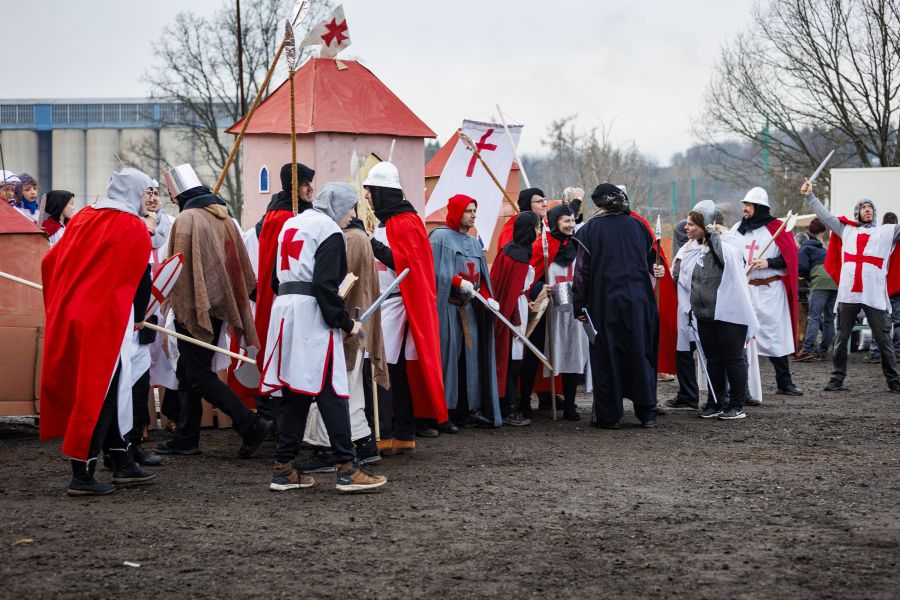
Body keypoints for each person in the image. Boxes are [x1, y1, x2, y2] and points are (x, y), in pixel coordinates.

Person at [260, 182, 386, 492]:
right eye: (350, 208)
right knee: (332, 388)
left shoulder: (292, 224)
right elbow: (323, 284)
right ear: (339, 207)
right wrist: (344, 322)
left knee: (298, 392)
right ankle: (347, 468)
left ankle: (283, 468)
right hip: (311, 316)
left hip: (286, 312)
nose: (353, 215)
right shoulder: (328, 229)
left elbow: (277, 279)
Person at [40, 168, 158, 496]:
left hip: (72, 314)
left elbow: (50, 262)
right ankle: (83, 473)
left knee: (110, 389)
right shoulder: (132, 226)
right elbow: (141, 275)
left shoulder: (83, 217)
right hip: (105, 321)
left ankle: (120, 459)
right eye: (145, 192)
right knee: (100, 394)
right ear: (133, 192)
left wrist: (61, 299)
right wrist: (138, 315)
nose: (148, 198)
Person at [154, 164, 272, 457]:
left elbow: (178, 269)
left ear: (179, 195)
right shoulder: (224, 217)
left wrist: (178, 304)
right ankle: (186, 436)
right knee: (187, 371)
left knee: (198, 375)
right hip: (219, 303)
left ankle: (249, 424)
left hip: (195, 306)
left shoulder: (187, 219)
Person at [299, 202, 389, 472]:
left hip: (345, 323)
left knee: (334, 387)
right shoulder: (357, 237)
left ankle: (327, 448)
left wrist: (340, 320)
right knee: (350, 389)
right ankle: (364, 443)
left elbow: (334, 283)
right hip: (352, 321)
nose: (350, 214)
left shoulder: (349, 238)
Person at [367, 161, 448, 451]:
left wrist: (372, 245)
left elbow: (406, 266)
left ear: (382, 193)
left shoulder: (406, 222)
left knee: (384, 366)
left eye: (371, 191)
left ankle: (388, 432)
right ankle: (399, 433)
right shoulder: (388, 223)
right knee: (395, 369)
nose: (367, 197)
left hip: (399, 302)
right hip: (386, 302)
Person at [572, 183, 665, 429]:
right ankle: (647, 412)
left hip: (606, 302)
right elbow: (651, 261)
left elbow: (581, 273)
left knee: (607, 356)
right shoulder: (639, 227)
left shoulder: (589, 230)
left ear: (598, 204)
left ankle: (609, 415)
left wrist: (579, 306)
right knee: (640, 351)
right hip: (639, 301)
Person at [801, 181, 900, 393]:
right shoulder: (846, 230)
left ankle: (893, 380)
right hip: (849, 293)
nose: (868, 209)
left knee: (883, 339)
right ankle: (837, 379)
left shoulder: (886, 232)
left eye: (870, 207)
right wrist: (810, 196)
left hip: (874, 294)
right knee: (841, 337)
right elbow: (826, 217)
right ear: (857, 212)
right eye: (863, 207)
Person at [681, 203, 760, 420]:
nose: (686, 228)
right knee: (713, 360)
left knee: (733, 360)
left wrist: (712, 234)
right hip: (705, 315)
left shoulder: (727, 244)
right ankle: (715, 401)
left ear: (704, 226)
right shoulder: (697, 248)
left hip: (729, 314)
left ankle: (736, 405)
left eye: (691, 224)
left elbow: (726, 261)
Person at [430, 194, 501, 429]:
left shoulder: (474, 242)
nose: (473, 215)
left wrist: (488, 298)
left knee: (470, 360)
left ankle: (467, 409)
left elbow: (480, 279)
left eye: (474, 211)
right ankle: (445, 412)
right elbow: (432, 270)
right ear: (456, 212)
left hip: (469, 311)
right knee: (448, 358)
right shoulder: (439, 238)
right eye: (468, 211)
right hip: (447, 309)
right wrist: (456, 281)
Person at [729, 187, 803, 396]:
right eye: (744, 204)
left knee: (774, 335)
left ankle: (784, 382)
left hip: (770, 290)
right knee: (742, 338)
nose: (744, 208)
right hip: (745, 290)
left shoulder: (778, 229)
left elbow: (790, 259)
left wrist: (768, 262)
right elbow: (728, 253)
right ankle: (743, 387)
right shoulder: (737, 229)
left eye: (748, 205)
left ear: (759, 207)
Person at [490, 211, 540, 426]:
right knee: (511, 360)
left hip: (514, 306)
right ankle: (508, 407)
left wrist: (524, 300)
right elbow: (512, 291)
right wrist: (515, 319)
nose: (539, 231)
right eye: (537, 226)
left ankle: (507, 404)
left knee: (510, 359)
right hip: (512, 313)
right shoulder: (518, 256)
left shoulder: (511, 249)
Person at [540, 204, 590, 420]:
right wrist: (542, 288)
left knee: (574, 354)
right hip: (552, 312)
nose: (571, 225)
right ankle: (541, 400)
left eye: (572, 220)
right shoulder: (544, 247)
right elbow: (534, 277)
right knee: (554, 351)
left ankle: (570, 405)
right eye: (566, 221)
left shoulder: (580, 246)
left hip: (575, 310)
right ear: (555, 222)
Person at [795, 218, 837, 361]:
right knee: (829, 318)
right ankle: (823, 351)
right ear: (822, 233)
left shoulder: (805, 248)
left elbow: (802, 267)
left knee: (814, 317)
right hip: (834, 282)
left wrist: (809, 277)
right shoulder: (825, 250)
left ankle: (807, 350)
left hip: (819, 283)